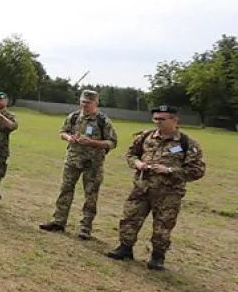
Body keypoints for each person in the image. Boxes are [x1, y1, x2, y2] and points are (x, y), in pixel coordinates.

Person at [106, 105, 206, 271]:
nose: (158, 122)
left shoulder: (186, 143)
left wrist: (169, 170)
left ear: (174, 120)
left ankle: (157, 257)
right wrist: (138, 163)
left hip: (168, 193)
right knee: (130, 218)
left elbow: (197, 170)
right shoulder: (145, 137)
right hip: (142, 187)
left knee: (163, 226)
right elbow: (131, 154)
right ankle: (125, 248)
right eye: (156, 119)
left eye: (162, 119)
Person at [40, 90, 118, 240]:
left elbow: (112, 142)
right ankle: (59, 221)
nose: (85, 105)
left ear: (96, 102)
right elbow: (63, 132)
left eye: (88, 102)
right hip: (73, 160)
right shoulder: (74, 117)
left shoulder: (103, 121)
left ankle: (85, 228)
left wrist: (92, 142)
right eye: (83, 102)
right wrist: (68, 137)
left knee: (90, 196)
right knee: (65, 190)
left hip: (93, 164)